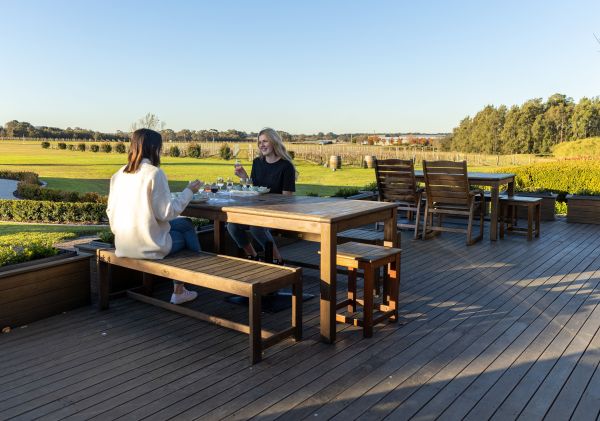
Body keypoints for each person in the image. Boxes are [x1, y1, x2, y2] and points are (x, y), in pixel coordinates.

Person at [106, 128, 204, 305]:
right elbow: (167, 213)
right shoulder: (154, 173)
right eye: (160, 148)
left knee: (186, 224)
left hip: (122, 242)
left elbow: (110, 211)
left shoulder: (118, 175)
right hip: (149, 246)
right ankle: (182, 288)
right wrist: (189, 191)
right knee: (187, 236)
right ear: (154, 148)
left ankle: (182, 287)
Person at [228, 127, 298, 264]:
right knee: (232, 226)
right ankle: (253, 256)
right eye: (260, 142)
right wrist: (244, 177)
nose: (262, 145)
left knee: (256, 227)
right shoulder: (257, 162)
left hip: (278, 212)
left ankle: (277, 260)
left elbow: (287, 198)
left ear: (274, 142)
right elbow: (253, 188)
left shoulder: (286, 166)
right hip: (256, 210)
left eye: (265, 141)